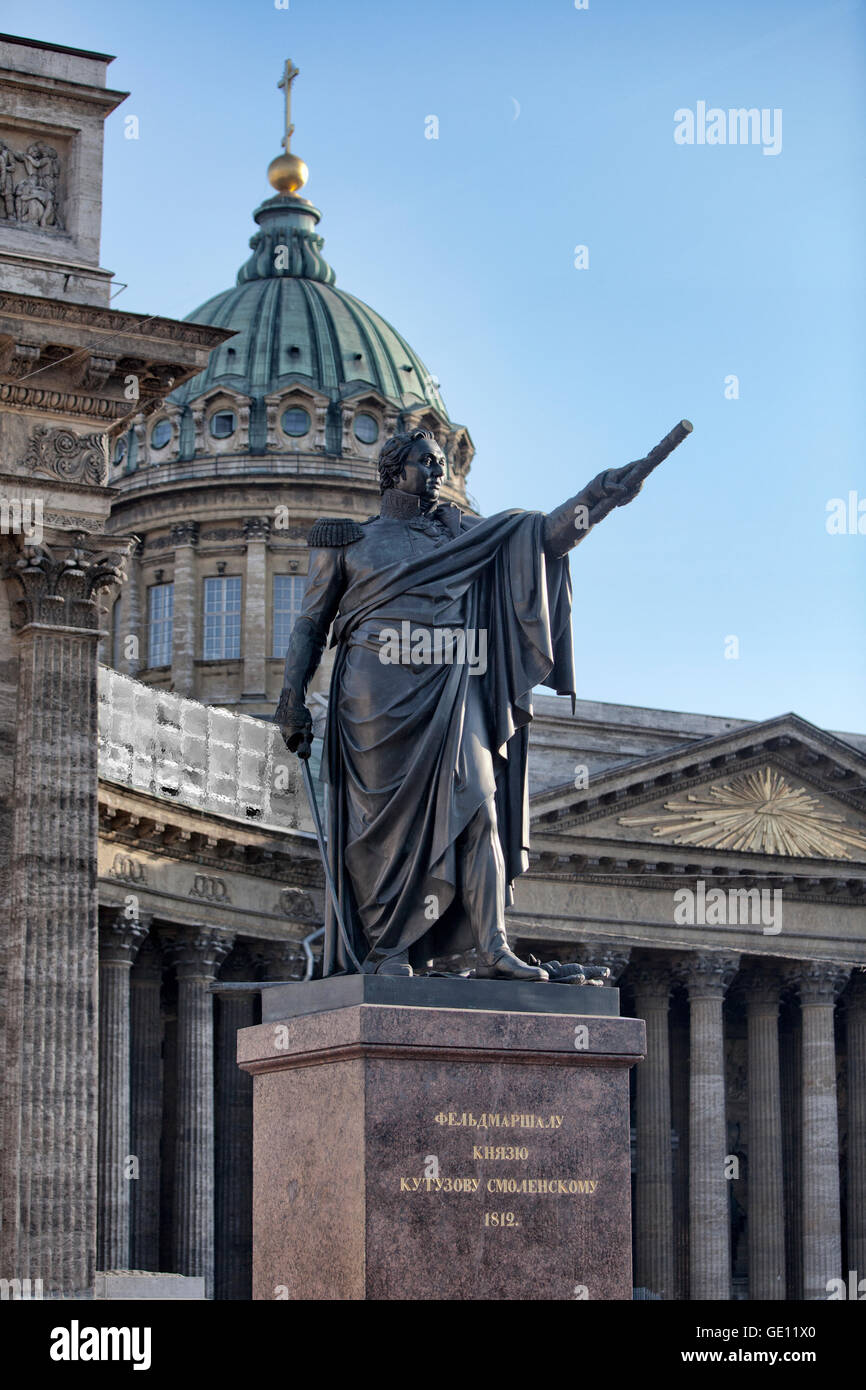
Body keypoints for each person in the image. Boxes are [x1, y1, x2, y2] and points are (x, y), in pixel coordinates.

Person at [277, 428, 644, 980]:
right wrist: (291, 699)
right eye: (426, 463)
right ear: (394, 469)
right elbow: (311, 621)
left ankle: (493, 948)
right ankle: (387, 951)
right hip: (374, 693)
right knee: (380, 827)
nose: (438, 473)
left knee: (479, 811)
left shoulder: (460, 533)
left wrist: (599, 498)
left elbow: (543, 538)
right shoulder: (346, 539)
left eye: (442, 464)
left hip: (454, 683)